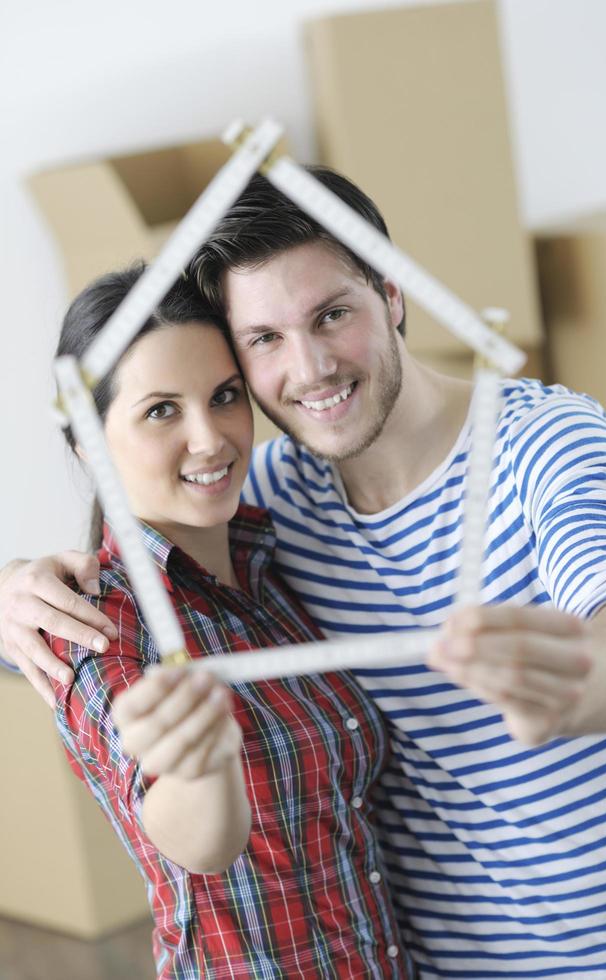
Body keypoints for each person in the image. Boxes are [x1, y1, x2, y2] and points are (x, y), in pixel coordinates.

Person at [2, 167, 606, 978]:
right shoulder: (272, 499)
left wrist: (581, 677)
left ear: (393, 295)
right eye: (266, 341)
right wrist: (15, 585)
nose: (308, 369)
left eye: (331, 315)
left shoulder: (544, 442)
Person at [26, 264, 413, 979]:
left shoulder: (273, 553)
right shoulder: (95, 628)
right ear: (87, 439)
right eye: (161, 410)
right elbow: (195, 839)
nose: (210, 440)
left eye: (224, 396)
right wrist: (197, 768)